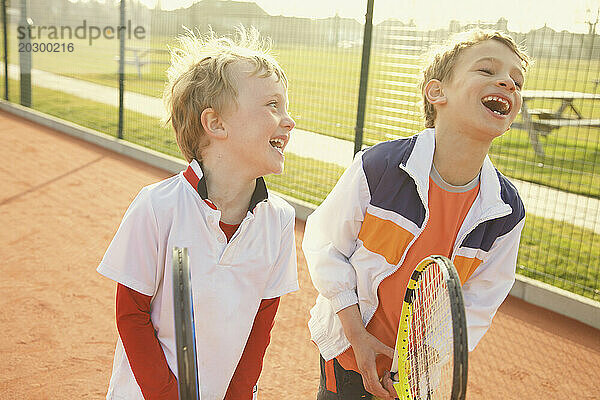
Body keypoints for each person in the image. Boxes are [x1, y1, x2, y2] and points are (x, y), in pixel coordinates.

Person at [303, 30, 530, 399]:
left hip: (414, 375)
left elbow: (478, 302)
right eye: (487, 70)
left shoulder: (506, 210)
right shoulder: (379, 167)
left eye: (517, 81)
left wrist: (425, 358)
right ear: (437, 93)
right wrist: (356, 336)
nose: (507, 82)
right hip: (346, 351)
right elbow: (324, 245)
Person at [97, 26, 298, 400]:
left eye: (286, 107)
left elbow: (261, 324)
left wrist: (237, 395)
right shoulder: (158, 207)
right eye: (273, 105)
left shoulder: (280, 221)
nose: (289, 120)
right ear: (216, 123)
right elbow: (132, 316)